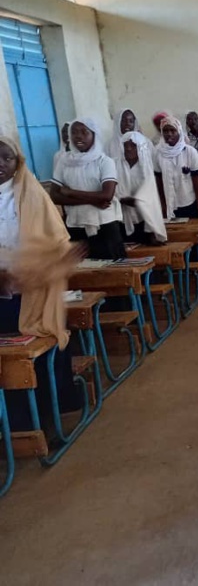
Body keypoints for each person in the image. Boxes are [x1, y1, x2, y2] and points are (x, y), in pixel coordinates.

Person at [0, 135, 83, 431]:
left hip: (33, 287)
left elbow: (55, 239)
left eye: (6, 158)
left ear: (17, 162)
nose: (0, 164)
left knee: (38, 353)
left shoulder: (32, 194)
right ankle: (17, 425)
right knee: (8, 360)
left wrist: (36, 267)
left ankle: (47, 419)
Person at [50, 117, 126, 260]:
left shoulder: (105, 161)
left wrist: (70, 192)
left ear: (94, 135)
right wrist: (92, 200)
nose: (78, 136)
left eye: (84, 132)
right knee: (83, 273)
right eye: (74, 132)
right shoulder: (64, 161)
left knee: (112, 270)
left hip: (103, 224)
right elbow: (54, 196)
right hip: (76, 223)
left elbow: (107, 195)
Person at [114, 131, 167, 245]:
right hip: (120, 219)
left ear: (140, 147)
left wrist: (136, 200)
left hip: (142, 220)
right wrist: (123, 199)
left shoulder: (146, 169)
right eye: (125, 145)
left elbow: (149, 200)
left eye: (133, 145)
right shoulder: (114, 165)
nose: (128, 148)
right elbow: (113, 192)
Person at [153, 115, 198, 221]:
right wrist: (163, 205)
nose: (169, 134)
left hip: (188, 202)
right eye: (165, 131)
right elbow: (159, 181)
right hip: (169, 204)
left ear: (179, 132)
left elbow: (196, 182)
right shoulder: (158, 152)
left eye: (173, 130)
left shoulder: (190, 152)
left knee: (192, 233)